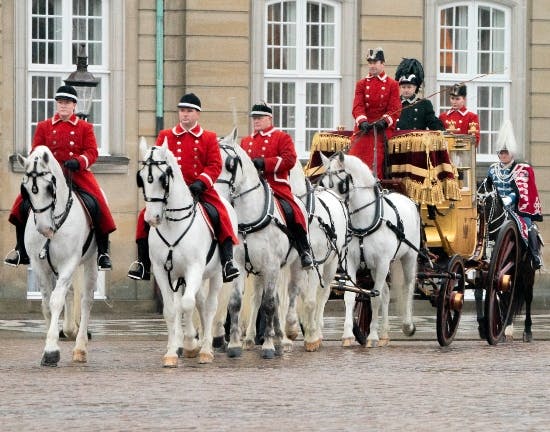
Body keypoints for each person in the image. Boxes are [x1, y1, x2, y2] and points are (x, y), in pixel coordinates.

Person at [128, 93, 240, 282]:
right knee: (143, 217)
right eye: (182, 111)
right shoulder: (166, 136)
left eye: (189, 111)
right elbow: (158, 163)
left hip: (200, 188)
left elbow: (214, 165)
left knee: (220, 214)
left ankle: (228, 261)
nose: (184, 115)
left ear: (197, 114)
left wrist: (202, 182)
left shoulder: (208, 137)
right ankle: (142, 263)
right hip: (171, 192)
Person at [5, 85, 116, 270]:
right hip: (48, 177)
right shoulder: (44, 126)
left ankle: (103, 252)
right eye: (60, 103)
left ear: (74, 105)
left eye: (66, 103)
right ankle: (20, 250)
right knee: (22, 204)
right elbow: (36, 150)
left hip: (76, 174)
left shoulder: (84, 127)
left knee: (98, 203)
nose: (62, 106)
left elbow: (92, 152)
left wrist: (79, 161)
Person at [240, 102, 313, 269]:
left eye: (259, 118)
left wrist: (265, 163)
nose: (256, 121)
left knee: (291, 211)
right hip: (251, 188)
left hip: (275, 186)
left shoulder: (281, 137)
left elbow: (290, 159)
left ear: (269, 118)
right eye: (254, 118)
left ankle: (304, 250)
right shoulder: (246, 141)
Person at [486, 120, 543, 269]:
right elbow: (487, 187)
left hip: (516, 208)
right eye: (501, 152)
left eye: (506, 152)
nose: (503, 155)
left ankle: (535, 256)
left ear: (512, 153)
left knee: (528, 225)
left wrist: (509, 198)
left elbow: (521, 190)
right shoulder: (493, 169)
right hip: (496, 208)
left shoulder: (522, 169)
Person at [350, 47, 401, 179]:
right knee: (355, 155)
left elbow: (395, 108)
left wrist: (384, 121)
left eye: (375, 62)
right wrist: (362, 122)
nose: (372, 65)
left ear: (382, 63)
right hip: (364, 128)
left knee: (375, 158)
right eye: (370, 62)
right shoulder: (361, 84)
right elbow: (358, 106)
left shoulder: (392, 84)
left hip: (381, 129)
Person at [394, 58, 444, 132]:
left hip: (416, 142)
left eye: (409, 87)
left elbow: (432, 122)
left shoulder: (424, 104)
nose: (406, 90)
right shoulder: (394, 103)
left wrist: (442, 130)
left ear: (415, 87)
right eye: (403, 87)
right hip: (396, 141)